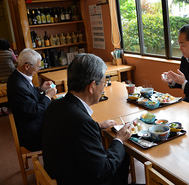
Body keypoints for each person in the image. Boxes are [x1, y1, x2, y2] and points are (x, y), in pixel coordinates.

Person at [42, 53, 132, 185]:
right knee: (122, 153)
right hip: (76, 179)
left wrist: (97, 125)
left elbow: (71, 131)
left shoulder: (55, 104)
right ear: (91, 87)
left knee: (120, 155)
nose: (104, 87)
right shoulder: (82, 122)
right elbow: (103, 172)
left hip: (59, 171)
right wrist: (119, 139)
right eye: (103, 82)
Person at [7, 48, 57, 151]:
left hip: (33, 124)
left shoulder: (19, 76)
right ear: (27, 66)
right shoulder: (18, 85)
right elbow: (33, 111)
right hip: (32, 135)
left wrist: (41, 89)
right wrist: (48, 96)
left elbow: (29, 97)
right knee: (65, 131)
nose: (38, 69)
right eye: (38, 67)